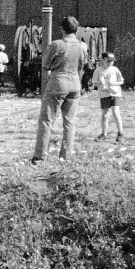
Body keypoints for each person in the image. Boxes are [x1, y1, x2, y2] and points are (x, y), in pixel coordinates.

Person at [34, 16, 88, 163]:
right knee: (69, 122)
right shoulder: (83, 46)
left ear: (62, 29)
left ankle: (40, 156)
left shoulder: (56, 44)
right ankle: (65, 157)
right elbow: (83, 66)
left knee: (46, 120)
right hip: (75, 83)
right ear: (76, 29)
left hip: (58, 83)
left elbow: (46, 65)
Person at [94, 52, 126, 142]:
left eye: (112, 61)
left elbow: (121, 81)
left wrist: (114, 84)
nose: (110, 63)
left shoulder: (115, 69)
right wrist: (100, 83)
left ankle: (120, 133)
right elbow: (94, 82)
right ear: (103, 60)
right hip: (104, 94)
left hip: (115, 94)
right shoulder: (98, 70)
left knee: (116, 113)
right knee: (105, 115)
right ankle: (104, 134)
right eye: (108, 61)